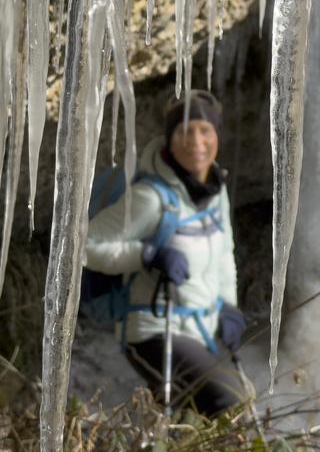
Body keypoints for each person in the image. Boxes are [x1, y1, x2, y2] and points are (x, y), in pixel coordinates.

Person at [85, 89, 248, 416]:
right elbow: (83, 247)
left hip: (202, 327)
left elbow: (224, 256)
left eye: (205, 131)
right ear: (169, 138)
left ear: (217, 136)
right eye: (185, 131)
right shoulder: (150, 198)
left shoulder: (216, 192)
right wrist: (146, 255)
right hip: (152, 330)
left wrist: (229, 308)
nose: (196, 142)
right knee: (229, 403)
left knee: (194, 416)